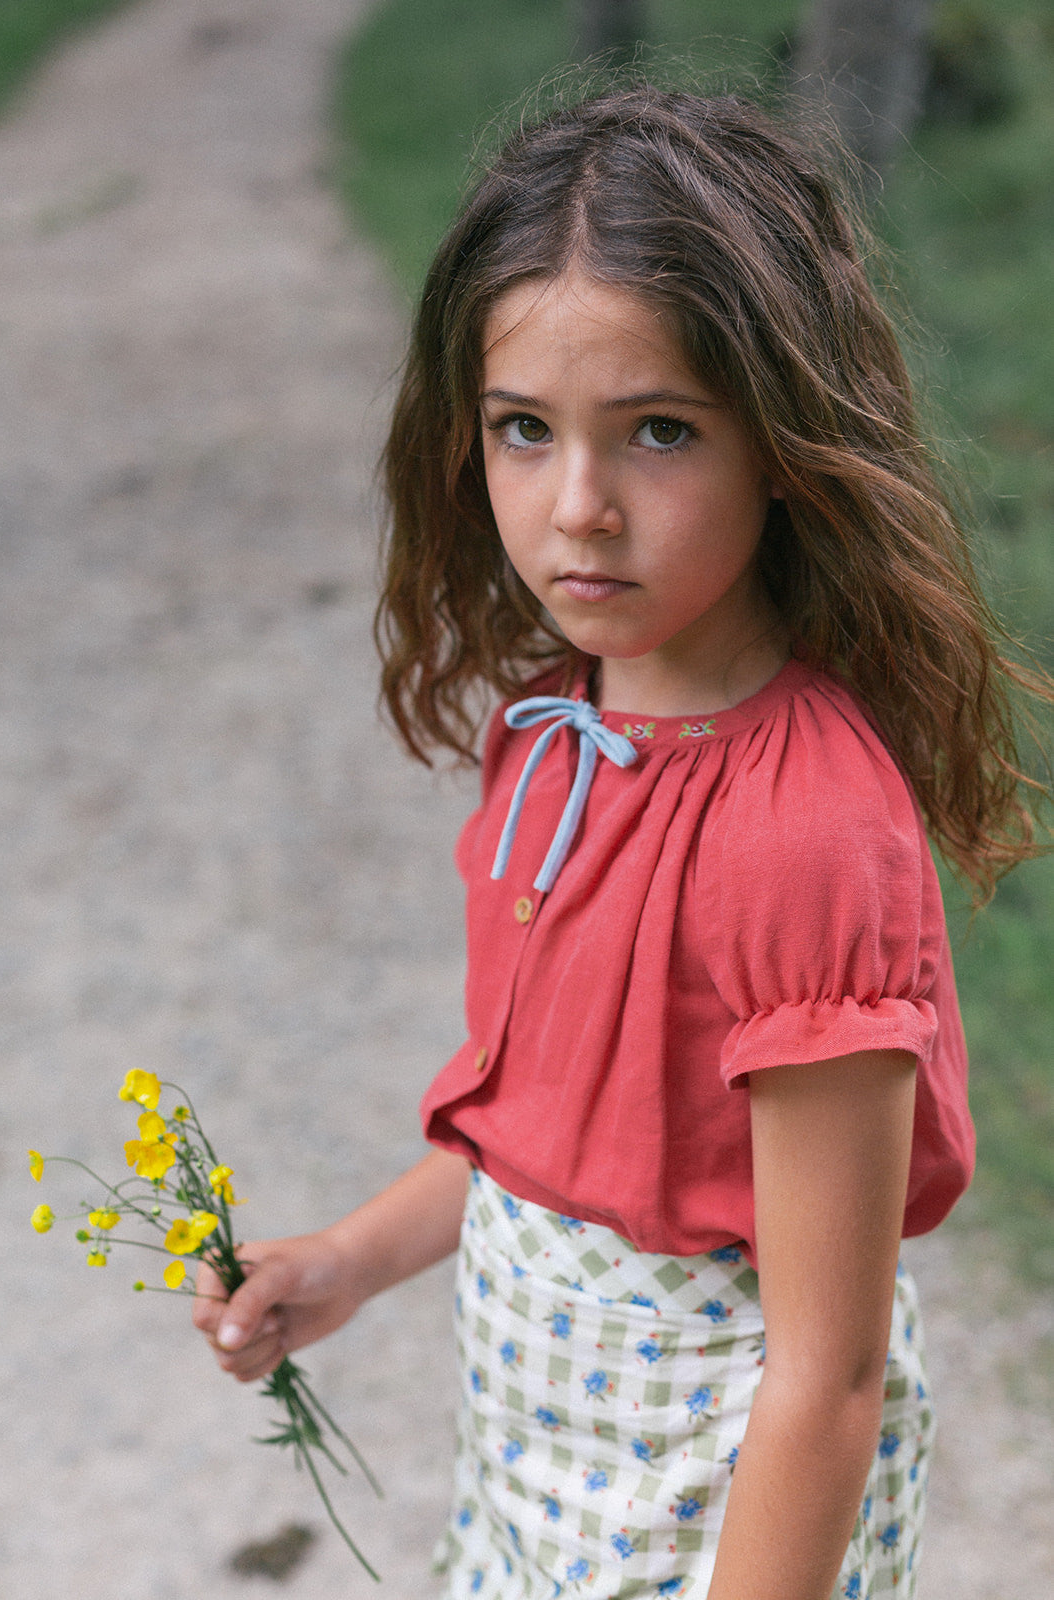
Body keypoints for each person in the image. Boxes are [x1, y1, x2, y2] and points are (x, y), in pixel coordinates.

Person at [193, 87, 1051, 1599]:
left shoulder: (801, 835)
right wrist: (345, 1262)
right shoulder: (559, 735)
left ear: (784, 440)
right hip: (538, 1467)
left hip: (714, 1506)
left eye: (657, 432)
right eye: (526, 430)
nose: (576, 509)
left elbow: (828, 1377)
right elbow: (564, 1144)